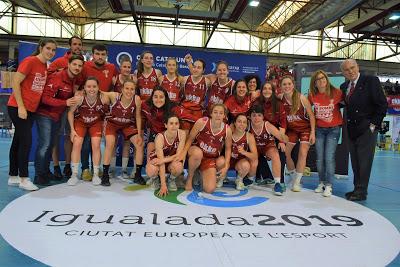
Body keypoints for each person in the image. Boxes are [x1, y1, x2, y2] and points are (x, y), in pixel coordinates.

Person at [7, 38, 57, 191]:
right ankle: (24, 178)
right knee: (26, 142)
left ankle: (13, 176)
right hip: (18, 107)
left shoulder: (44, 66)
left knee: (17, 141)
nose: (51, 52)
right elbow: (16, 82)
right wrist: (21, 107)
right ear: (41, 47)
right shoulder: (30, 61)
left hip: (31, 110)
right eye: (48, 48)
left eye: (53, 50)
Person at [340, 59, 387, 201]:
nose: (350, 71)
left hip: (367, 128)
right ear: (343, 73)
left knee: (364, 161)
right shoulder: (344, 86)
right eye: (347, 70)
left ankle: (361, 191)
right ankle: (357, 188)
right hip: (352, 129)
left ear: (358, 67)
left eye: (352, 68)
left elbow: (382, 104)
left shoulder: (371, 81)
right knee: (355, 161)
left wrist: (373, 126)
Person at [33, 55, 84, 185]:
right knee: (44, 145)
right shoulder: (57, 77)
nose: (77, 67)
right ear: (68, 64)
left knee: (50, 145)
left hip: (57, 115)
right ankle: (39, 175)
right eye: (75, 64)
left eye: (80, 65)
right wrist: (65, 102)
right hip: (45, 114)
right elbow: (44, 98)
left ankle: (45, 171)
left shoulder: (73, 79)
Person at [79, 44, 118, 181]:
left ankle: (96, 168)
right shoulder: (85, 67)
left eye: (103, 54)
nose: (100, 57)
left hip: (101, 110)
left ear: (106, 55)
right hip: (85, 108)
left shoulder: (112, 68)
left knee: (97, 142)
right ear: (93, 54)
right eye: (97, 54)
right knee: (85, 141)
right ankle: (85, 168)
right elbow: (78, 85)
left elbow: (117, 85)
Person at [48, 36, 84, 180]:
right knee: (55, 137)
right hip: (56, 106)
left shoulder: (82, 64)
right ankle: (56, 166)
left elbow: (81, 84)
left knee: (70, 136)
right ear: (69, 46)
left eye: (79, 44)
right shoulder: (58, 62)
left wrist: (79, 92)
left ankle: (68, 165)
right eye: (74, 44)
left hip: (71, 107)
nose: (77, 46)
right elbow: (48, 77)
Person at [177, 104, 232, 193]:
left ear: (224, 116)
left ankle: (200, 173)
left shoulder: (227, 129)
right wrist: (183, 153)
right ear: (211, 114)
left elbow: (228, 149)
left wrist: (226, 165)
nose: (218, 115)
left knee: (209, 189)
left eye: (221, 113)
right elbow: (190, 139)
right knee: (197, 153)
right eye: (215, 112)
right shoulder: (202, 122)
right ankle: (189, 178)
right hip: (196, 152)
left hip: (210, 159)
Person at [101, 79, 143, 186]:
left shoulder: (137, 99)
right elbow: (100, 92)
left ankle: (137, 175)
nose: (129, 91)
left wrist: (138, 134)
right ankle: (105, 175)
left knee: (139, 144)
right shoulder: (114, 96)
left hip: (126, 124)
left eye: (132, 89)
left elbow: (138, 116)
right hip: (112, 123)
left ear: (135, 90)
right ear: (122, 89)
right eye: (127, 88)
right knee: (110, 143)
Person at [308, 70, 343, 197]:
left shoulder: (337, 93)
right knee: (319, 159)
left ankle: (329, 185)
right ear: (315, 83)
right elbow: (307, 110)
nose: (322, 80)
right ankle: (321, 182)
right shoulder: (312, 95)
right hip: (319, 130)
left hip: (333, 129)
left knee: (329, 158)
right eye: (318, 79)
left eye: (323, 78)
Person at [67, 77, 106, 186]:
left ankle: (96, 174)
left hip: (95, 123)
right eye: (89, 86)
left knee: (96, 145)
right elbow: (70, 113)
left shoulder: (103, 98)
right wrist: (72, 130)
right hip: (81, 123)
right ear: (84, 88)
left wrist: (104, 126)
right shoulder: (79, 98)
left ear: (98, 88)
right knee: (77, 144)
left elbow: (108, 112)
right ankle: (74, 175)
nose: (91, 89)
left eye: (94, 86)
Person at [281, 75, 315, 192]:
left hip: (305, 128)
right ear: (281, 86)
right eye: (284, 84)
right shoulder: (281, 99)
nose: (287, 86)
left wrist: (313, 133)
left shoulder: (301, 98)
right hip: (291, 130)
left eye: (289, 84)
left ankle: (297, 182)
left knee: (302, 153)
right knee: (285, 153)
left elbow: (311, 115)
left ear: (293, 85)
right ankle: (293, 176)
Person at [249, 105, 289, 195]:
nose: (256, 118)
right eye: (254, 115)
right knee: (251, 157)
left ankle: (277, 183)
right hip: (255, 148)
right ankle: (249, 179)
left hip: (267, 146)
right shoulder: (247, 125)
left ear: (263, 117)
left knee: (275, 154)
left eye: (259, 115)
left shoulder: (267, 125)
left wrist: (283, 139)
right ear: (250, 116)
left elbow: (281, 137)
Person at [252, 81, 287, 186]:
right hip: (260, 131)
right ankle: (264, 176)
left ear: (273, 91)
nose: (267, 91)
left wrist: (280, 140)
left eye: (269, 89)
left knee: (280, 152)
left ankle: (280, 182)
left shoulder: (278, 103)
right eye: (265, 88)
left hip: (275, 132)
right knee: (257, 150)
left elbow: (283, 122)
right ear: (261, 91)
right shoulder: (257, 102)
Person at [146, 114, 186, 196]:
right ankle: (155, 179)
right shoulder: (159, 138)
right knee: (151, 170)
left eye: (176, 123)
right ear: (166, 125)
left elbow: (178, 156)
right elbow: (160, 162)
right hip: (158, 161)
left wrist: (164, 159)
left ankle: (171, 179)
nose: (174, 126)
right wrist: (163, 185)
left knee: (178, 166)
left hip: (170, 160)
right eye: (171, 123)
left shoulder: (182, 134)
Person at [109, 57, 136, 178]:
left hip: (128, 117)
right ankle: (112, 169)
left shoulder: (133, 79)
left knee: (127, 143)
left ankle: (124, 170)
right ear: (120, 67)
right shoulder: (115, 80)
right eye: (124, 66)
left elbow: (135, 98)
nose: (126, 69)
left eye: (129, 67)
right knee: (113, 143)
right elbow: (109, 96)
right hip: (115, 117)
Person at [142, 87, 173, 178]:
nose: (158, 100)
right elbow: (138, 116)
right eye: (155, 97)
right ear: (152, 98)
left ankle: (174, 177)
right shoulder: (145, 106)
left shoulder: (173, 108)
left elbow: (187, 117)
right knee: (151, 166)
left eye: (161, 97)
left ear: (166, 98)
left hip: (169, 138)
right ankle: (154, 177)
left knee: (175, 165)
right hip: (154, 136)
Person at [177, 56, 211, 132]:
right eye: (194, 67)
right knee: (185, 132)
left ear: (203, 70)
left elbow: (210, 95)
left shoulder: (207, 82)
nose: (195, 69)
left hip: (197, 111)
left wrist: (204, 103)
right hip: (185, 110)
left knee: (195, 134)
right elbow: (180, 94)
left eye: (199, 68)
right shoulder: (185, 79)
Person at [228, 114, 258, 191]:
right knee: (219, 161)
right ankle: (221, 177)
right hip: (227, 160)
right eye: (239, 121)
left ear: (247, 125)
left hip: (239, 162)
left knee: (246, 165)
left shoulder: (249, 136)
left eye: (244, 122)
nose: (242, 124)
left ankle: (239, 179)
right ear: (234, 123)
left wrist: (244, 152)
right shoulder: (228, 133)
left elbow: (255, 156)